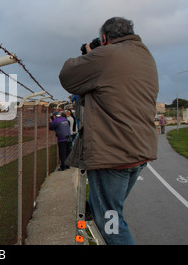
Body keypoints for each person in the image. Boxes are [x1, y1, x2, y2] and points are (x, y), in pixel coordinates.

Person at [59, 17, 159, 245]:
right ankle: (93, 210)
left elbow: (68, 76)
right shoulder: (144, 55)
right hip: (139, 151)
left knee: (112, 222)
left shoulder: (107, 55)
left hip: (114, 154)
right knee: (107, 208)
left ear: (105, 38)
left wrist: (88, 53)